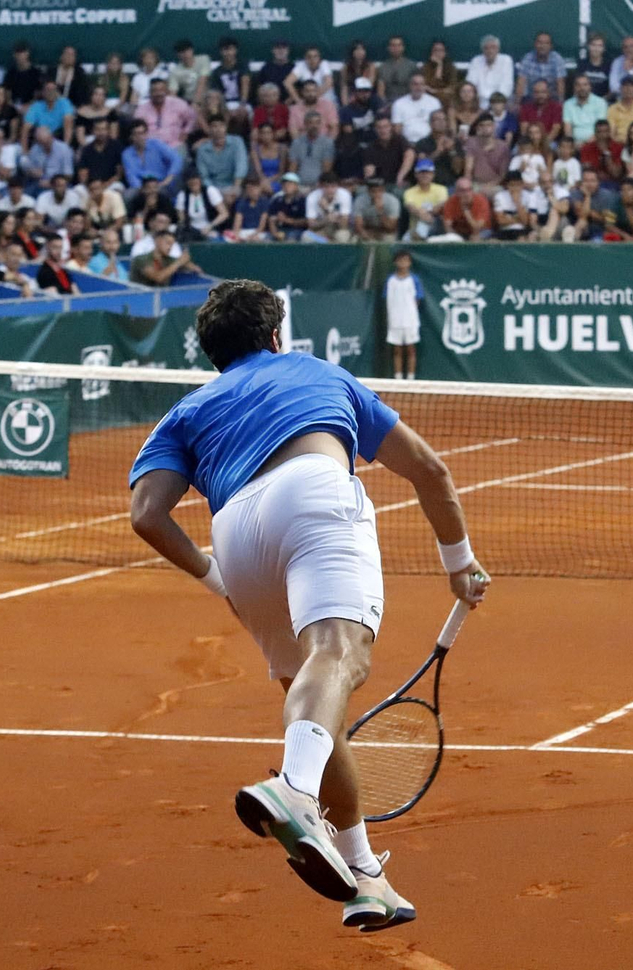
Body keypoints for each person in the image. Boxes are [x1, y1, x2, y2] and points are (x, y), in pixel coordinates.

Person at [128, 279, 489, 931]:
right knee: (338, 656)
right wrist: (459, 563)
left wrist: (218, 579)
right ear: (274, 337)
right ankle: (294, 790)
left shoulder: (186, 410)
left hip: (233, 531)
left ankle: (366, 877)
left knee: (317, 704)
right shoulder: (321, 372)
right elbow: (429, 471)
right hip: (313, 492)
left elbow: (147, 514)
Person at [384, 250, 424, 379]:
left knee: (411, 349)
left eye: (406, 260)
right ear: (395, 262)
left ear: (410, 263)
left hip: (410, 320)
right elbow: (387, 298)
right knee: (397, 349)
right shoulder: (390, 281)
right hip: (395, 320)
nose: (403, 263)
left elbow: (418, 299)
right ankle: (398, 377)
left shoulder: (414, 280)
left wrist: (409, 313)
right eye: (400, 260)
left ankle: (411, 378)